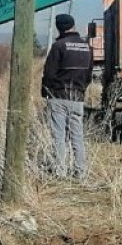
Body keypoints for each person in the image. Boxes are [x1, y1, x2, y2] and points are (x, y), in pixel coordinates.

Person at [42, 13, 93, 179]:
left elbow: (49, 73)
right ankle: (80, 172)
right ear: (73, 25)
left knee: (59, 137)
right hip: (77, 97)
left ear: (59, 27)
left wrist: (46, 91)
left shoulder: (59, 46)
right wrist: (81, 90)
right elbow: (88, 75)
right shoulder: (87, 47)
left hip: (58, 97)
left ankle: (60, 172)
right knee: (77, 136)